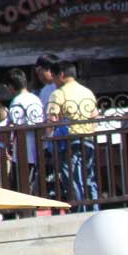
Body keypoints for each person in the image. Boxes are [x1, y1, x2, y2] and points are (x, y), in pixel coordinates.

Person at [46, 61, 100, 210]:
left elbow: (51, 121)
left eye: (54, 77)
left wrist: (48, 141)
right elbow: (95, 117)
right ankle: (93, 208)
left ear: (61, 75)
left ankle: (79, 210)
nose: (54, 81)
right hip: (87, 139)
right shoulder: (87, 91)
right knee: (89, 176)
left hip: (68, 142)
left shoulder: (58, 94)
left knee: (73, 178)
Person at [5, 68, 44, 194]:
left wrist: (8, 145)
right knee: (31, 184)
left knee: (21, 186)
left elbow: (13, 127)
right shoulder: (35, 99)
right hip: (36, 147)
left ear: (11, 86)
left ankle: (25, 212)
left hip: (22, 150)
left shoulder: (16, 102)